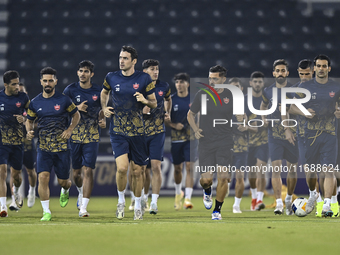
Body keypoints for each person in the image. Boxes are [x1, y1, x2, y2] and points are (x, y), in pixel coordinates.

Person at [100, 46, 156, 220]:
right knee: (122, 168)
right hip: (118, 130)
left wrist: (145, 100)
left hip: (138, 131)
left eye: (125, 58)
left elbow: (154, 103)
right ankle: (121, 201)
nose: (121, 61)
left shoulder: (144, 78)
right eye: (120, 57)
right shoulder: (111, 77)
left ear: (134, 61)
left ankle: (138, 203)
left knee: (138, 171)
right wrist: (104, 108)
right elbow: (104, 92)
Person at [26, 67, 80, 221]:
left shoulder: (64, 100)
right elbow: (29, 120)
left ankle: (65, 189)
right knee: (43, 177)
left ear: (55, 81)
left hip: (62, 148)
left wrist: (70, 129)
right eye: (45, 80)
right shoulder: (35, 102)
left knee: (64, 181)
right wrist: (29, 131)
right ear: (40, 82)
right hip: (43, 148)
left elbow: (76, 115)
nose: (47, 83)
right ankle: (46, 211)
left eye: (50, 80)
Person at [290, 54, 340, 217]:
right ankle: (314, 194)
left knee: (328, 170)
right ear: (314, 68)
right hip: (309, 136)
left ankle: (327, 205)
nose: (321, 69)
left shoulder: (335, 87)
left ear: (329, 68)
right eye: (318, 66)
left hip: (330, 134)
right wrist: (304, 112)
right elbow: (289, 107)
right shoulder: (305, 87)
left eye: (324, 66)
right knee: (310, 172)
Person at [188, 65, 233, 220]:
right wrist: (195, 130)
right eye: (210, 78)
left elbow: (241, 116)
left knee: (223, 176)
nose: (212, 81)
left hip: (225, 141)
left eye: (215, 78)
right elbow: (190, 114)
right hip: (206, 143)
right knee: (206, 180)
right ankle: (207, 191)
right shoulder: (202, 94)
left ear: (223, 79)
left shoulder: (231, 95)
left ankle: (217, 211)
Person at [63, 60, 106, 217]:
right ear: (77, 73)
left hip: (92, 136)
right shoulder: (70, 90)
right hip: (75, 136)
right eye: (81, 71)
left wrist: (103, 120)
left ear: (91, 74)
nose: (83, 74)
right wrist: (76, 109)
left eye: (86, 71)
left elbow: (103, 110)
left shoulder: (99, 90)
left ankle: (84, 208)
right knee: (76, 174)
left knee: (88, 170)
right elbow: (60, 111)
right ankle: (80, 192)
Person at [260, 59, 298, 215]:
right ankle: (278, 203)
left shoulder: (295, 90)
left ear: (287, 73)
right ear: (273, 73)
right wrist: (263, 119)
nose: (280, 73)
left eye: (283, 70)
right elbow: (263, 106)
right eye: (278, 70)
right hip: (274, 134)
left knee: (293, 170)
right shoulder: (267, 91)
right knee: (276, 169)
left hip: (293, 136)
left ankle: (288, 198)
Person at [135, 59, 171, 214]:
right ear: (144, 72)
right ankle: (143, 197)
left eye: (157, 69)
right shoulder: (137, 86)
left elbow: (168, 99)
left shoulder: (164, 86)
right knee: (141, 169)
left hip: (157, 132)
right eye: (152, 69)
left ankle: (154, 202)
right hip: (140, 133)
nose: (155, 72)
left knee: (156, 167)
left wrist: (167, 112)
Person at [0, 71, 30, 217]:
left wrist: (24, 119)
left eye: (18, 83)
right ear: (5, 85)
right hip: (2, 141)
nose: (17, 86)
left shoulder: (23, 97)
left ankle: (16, 192)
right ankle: (2, 206)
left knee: (16, 176)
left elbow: (32, 114)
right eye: (13, 84)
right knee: (2, 172)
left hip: (18, 142)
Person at [165, 73, 196, 210]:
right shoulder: (171, 100)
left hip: (191, 139)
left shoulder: (194, 99)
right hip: (176, 140)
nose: (179, 84)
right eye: (177, 82)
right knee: (178, 169)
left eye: (182, 82)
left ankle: (188, 199)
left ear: (187, 84)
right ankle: (178, 193)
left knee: (189, 167)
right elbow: (165, 120)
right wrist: (173, 125)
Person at [9, 82, 37, 211]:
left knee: (30, 171)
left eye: (22, 91)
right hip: (14, 144)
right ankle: (15, 199)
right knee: (14, 172)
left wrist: (25, 121)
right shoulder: (11, 106)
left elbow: (37, 123)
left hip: (28, 145)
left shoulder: (31, 106)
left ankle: (32, 191)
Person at [246, 72, 268, 211]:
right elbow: (237, 119)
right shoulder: (244, 100)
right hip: (248, 142)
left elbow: (273, 118)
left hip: (264, 140)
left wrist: (267, 122)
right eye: (255, 81)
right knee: (252, 172)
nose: (258, 84)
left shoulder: (267, 100)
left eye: (260, 82)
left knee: (261, 168)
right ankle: (254, 197)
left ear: (263, 83)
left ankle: (259, 199)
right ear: (250, 83)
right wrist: (248, 125)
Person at [228, 78, 248, 214]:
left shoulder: (248, 104)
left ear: (241, 89)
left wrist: (246, 126)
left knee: (240, 176)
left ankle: (236, 205)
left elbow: (257, 125)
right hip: (226, 146)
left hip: (241, 146)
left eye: (236, 87)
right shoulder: (223, 105)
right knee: (225, 177)